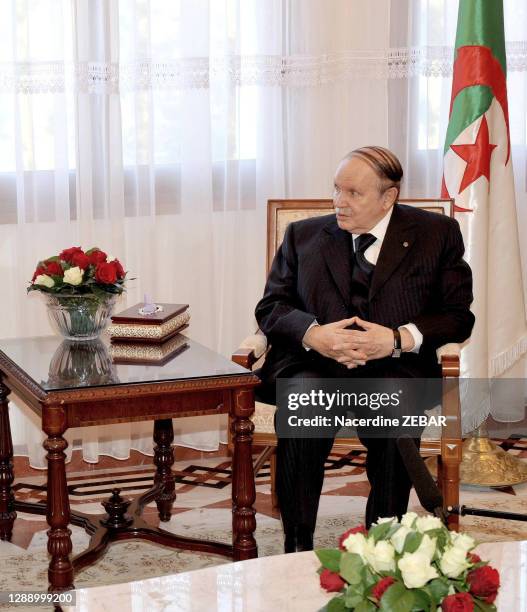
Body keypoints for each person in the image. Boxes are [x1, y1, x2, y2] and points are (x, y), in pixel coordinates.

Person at [254, 146, 474, 552]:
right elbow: (271, 307)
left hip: (394, 366)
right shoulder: (303, 235)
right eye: (337, 189)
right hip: (313, 363)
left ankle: (383, 543)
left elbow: (458, 316)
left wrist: (395, 339)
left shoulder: (435, 235)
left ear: (388, 197)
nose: (340, 201)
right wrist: (313, 333)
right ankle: (297, 541)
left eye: (354, 193)